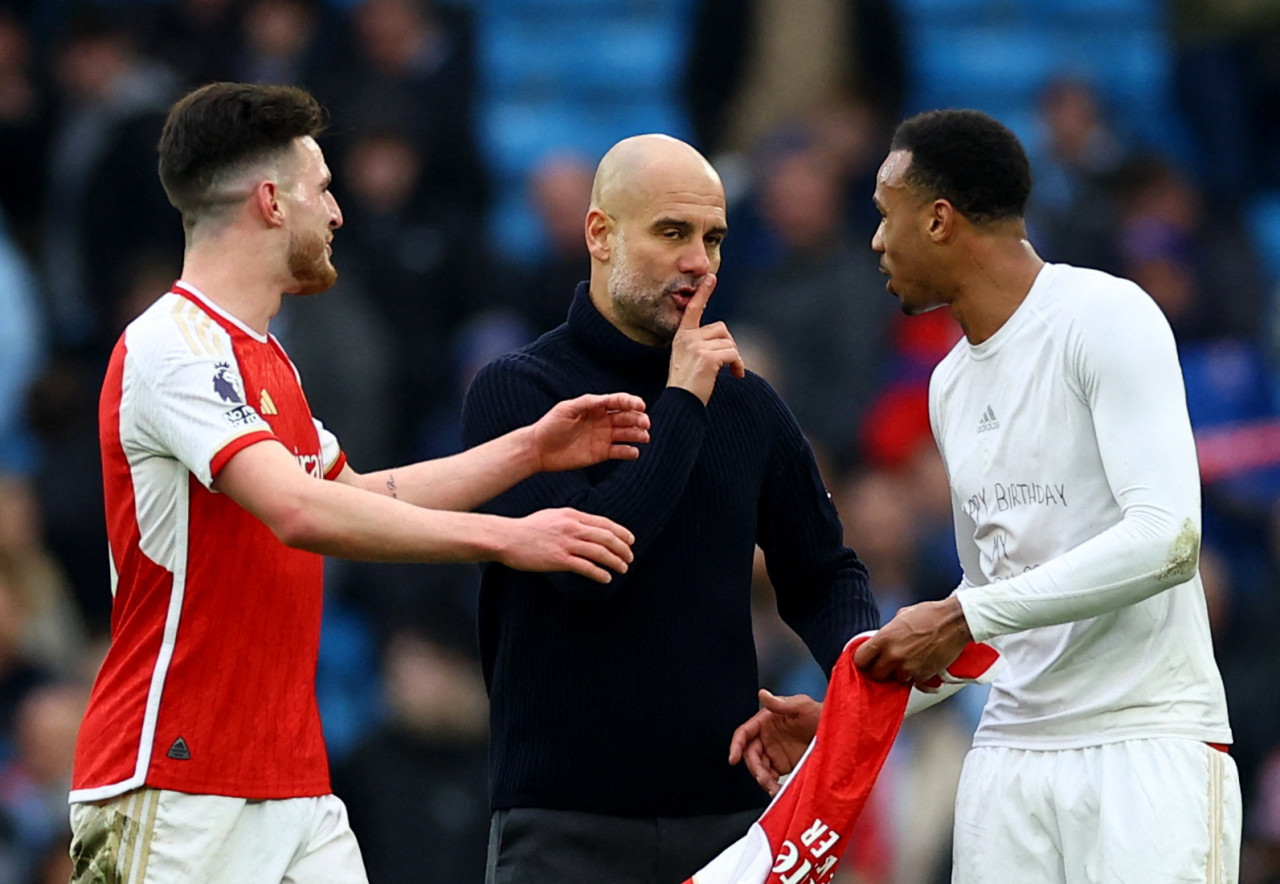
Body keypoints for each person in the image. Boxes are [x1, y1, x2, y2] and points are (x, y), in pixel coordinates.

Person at [67, 82, 650, 884]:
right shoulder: (172, 344)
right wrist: (510, 539)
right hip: (178, 781)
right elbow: (301, 512)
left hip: (291, 783)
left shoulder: (269, 363)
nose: (337, 214)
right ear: (272, 202)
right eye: (324, 190)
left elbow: (361, 495)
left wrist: (528, 452)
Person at [730, 108, 1241, 883]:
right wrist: (851, 715)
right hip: (1007, 758)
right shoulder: (949, 384)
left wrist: (966, 611)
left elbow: (1167, 541)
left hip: (1145, 741)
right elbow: (995, 600)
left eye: (883, 217)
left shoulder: (1105, 317)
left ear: (938, 220)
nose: (873, 241)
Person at [459, 132, 879, 883]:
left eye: (714, 238)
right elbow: (594, 567)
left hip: (727, 825)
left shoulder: (745, 400)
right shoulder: (517, 394)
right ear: (600, 234)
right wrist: (682, 399)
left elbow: (824, 575)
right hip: (562, 828)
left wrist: (852, 699)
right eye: (673, 233)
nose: (700, 262)